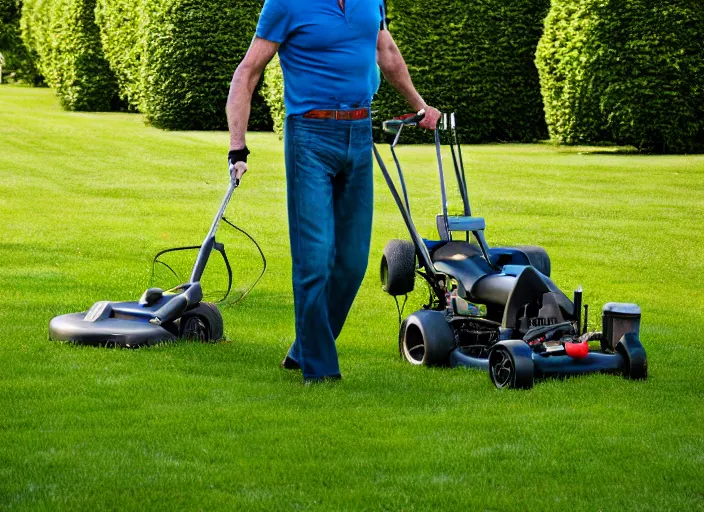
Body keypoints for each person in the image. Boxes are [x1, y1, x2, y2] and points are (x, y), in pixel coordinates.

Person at [226, 0, 441, 383]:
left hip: (359, 134)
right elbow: (248, 71)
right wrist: (237, 146)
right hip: (310, 136)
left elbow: (385, 51)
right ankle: (321, 370)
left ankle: (304, 347)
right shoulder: (285, 3)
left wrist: (420, 106)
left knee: (354, 261)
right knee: (315, 258)